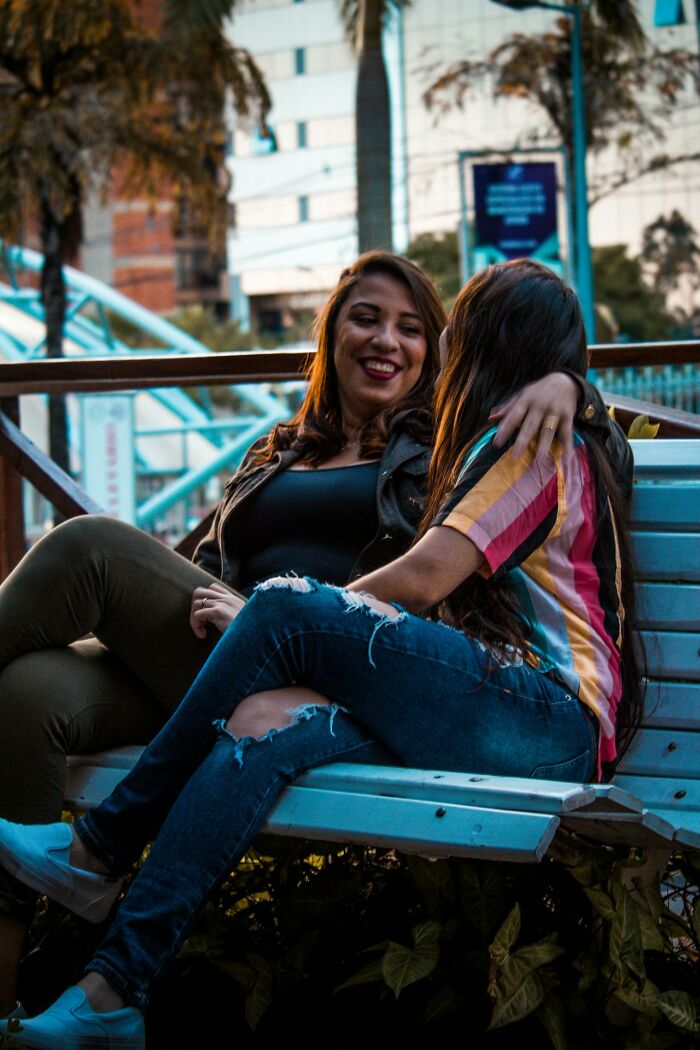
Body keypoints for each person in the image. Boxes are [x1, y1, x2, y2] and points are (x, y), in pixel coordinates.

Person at [0, 259, 640, 1049]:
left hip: (547, 720)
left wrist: (572, 386)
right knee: (263, 720)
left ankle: (102, 846)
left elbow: (426, 574)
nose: (429, 352)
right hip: (464, 699)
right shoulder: (478, 440)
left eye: (444, 337)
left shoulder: (536, 440)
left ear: (477, 350)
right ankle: (113, 993)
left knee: (272, 603)